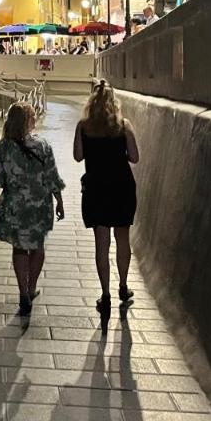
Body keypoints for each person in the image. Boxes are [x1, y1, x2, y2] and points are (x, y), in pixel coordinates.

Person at [0, 101, 65, 317]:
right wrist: (59, 201)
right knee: (38, 248)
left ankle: (22, 291)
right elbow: (52, 177)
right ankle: (31, 288)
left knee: (19, 248)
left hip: (15, 206)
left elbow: (0, 178)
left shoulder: (4, 147)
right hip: (39, 206)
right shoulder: (42, 146)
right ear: (28, 122)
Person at [74, 80, 140, 314]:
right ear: (114, 102)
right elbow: (134, 157)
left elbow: (77, 156)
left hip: (96, 188)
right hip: (122, 187)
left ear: (91, 102)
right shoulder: (124, 125)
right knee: (123, 239)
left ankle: (105, 294)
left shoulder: (84, 126)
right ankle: (123, 286)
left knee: (101, 245)